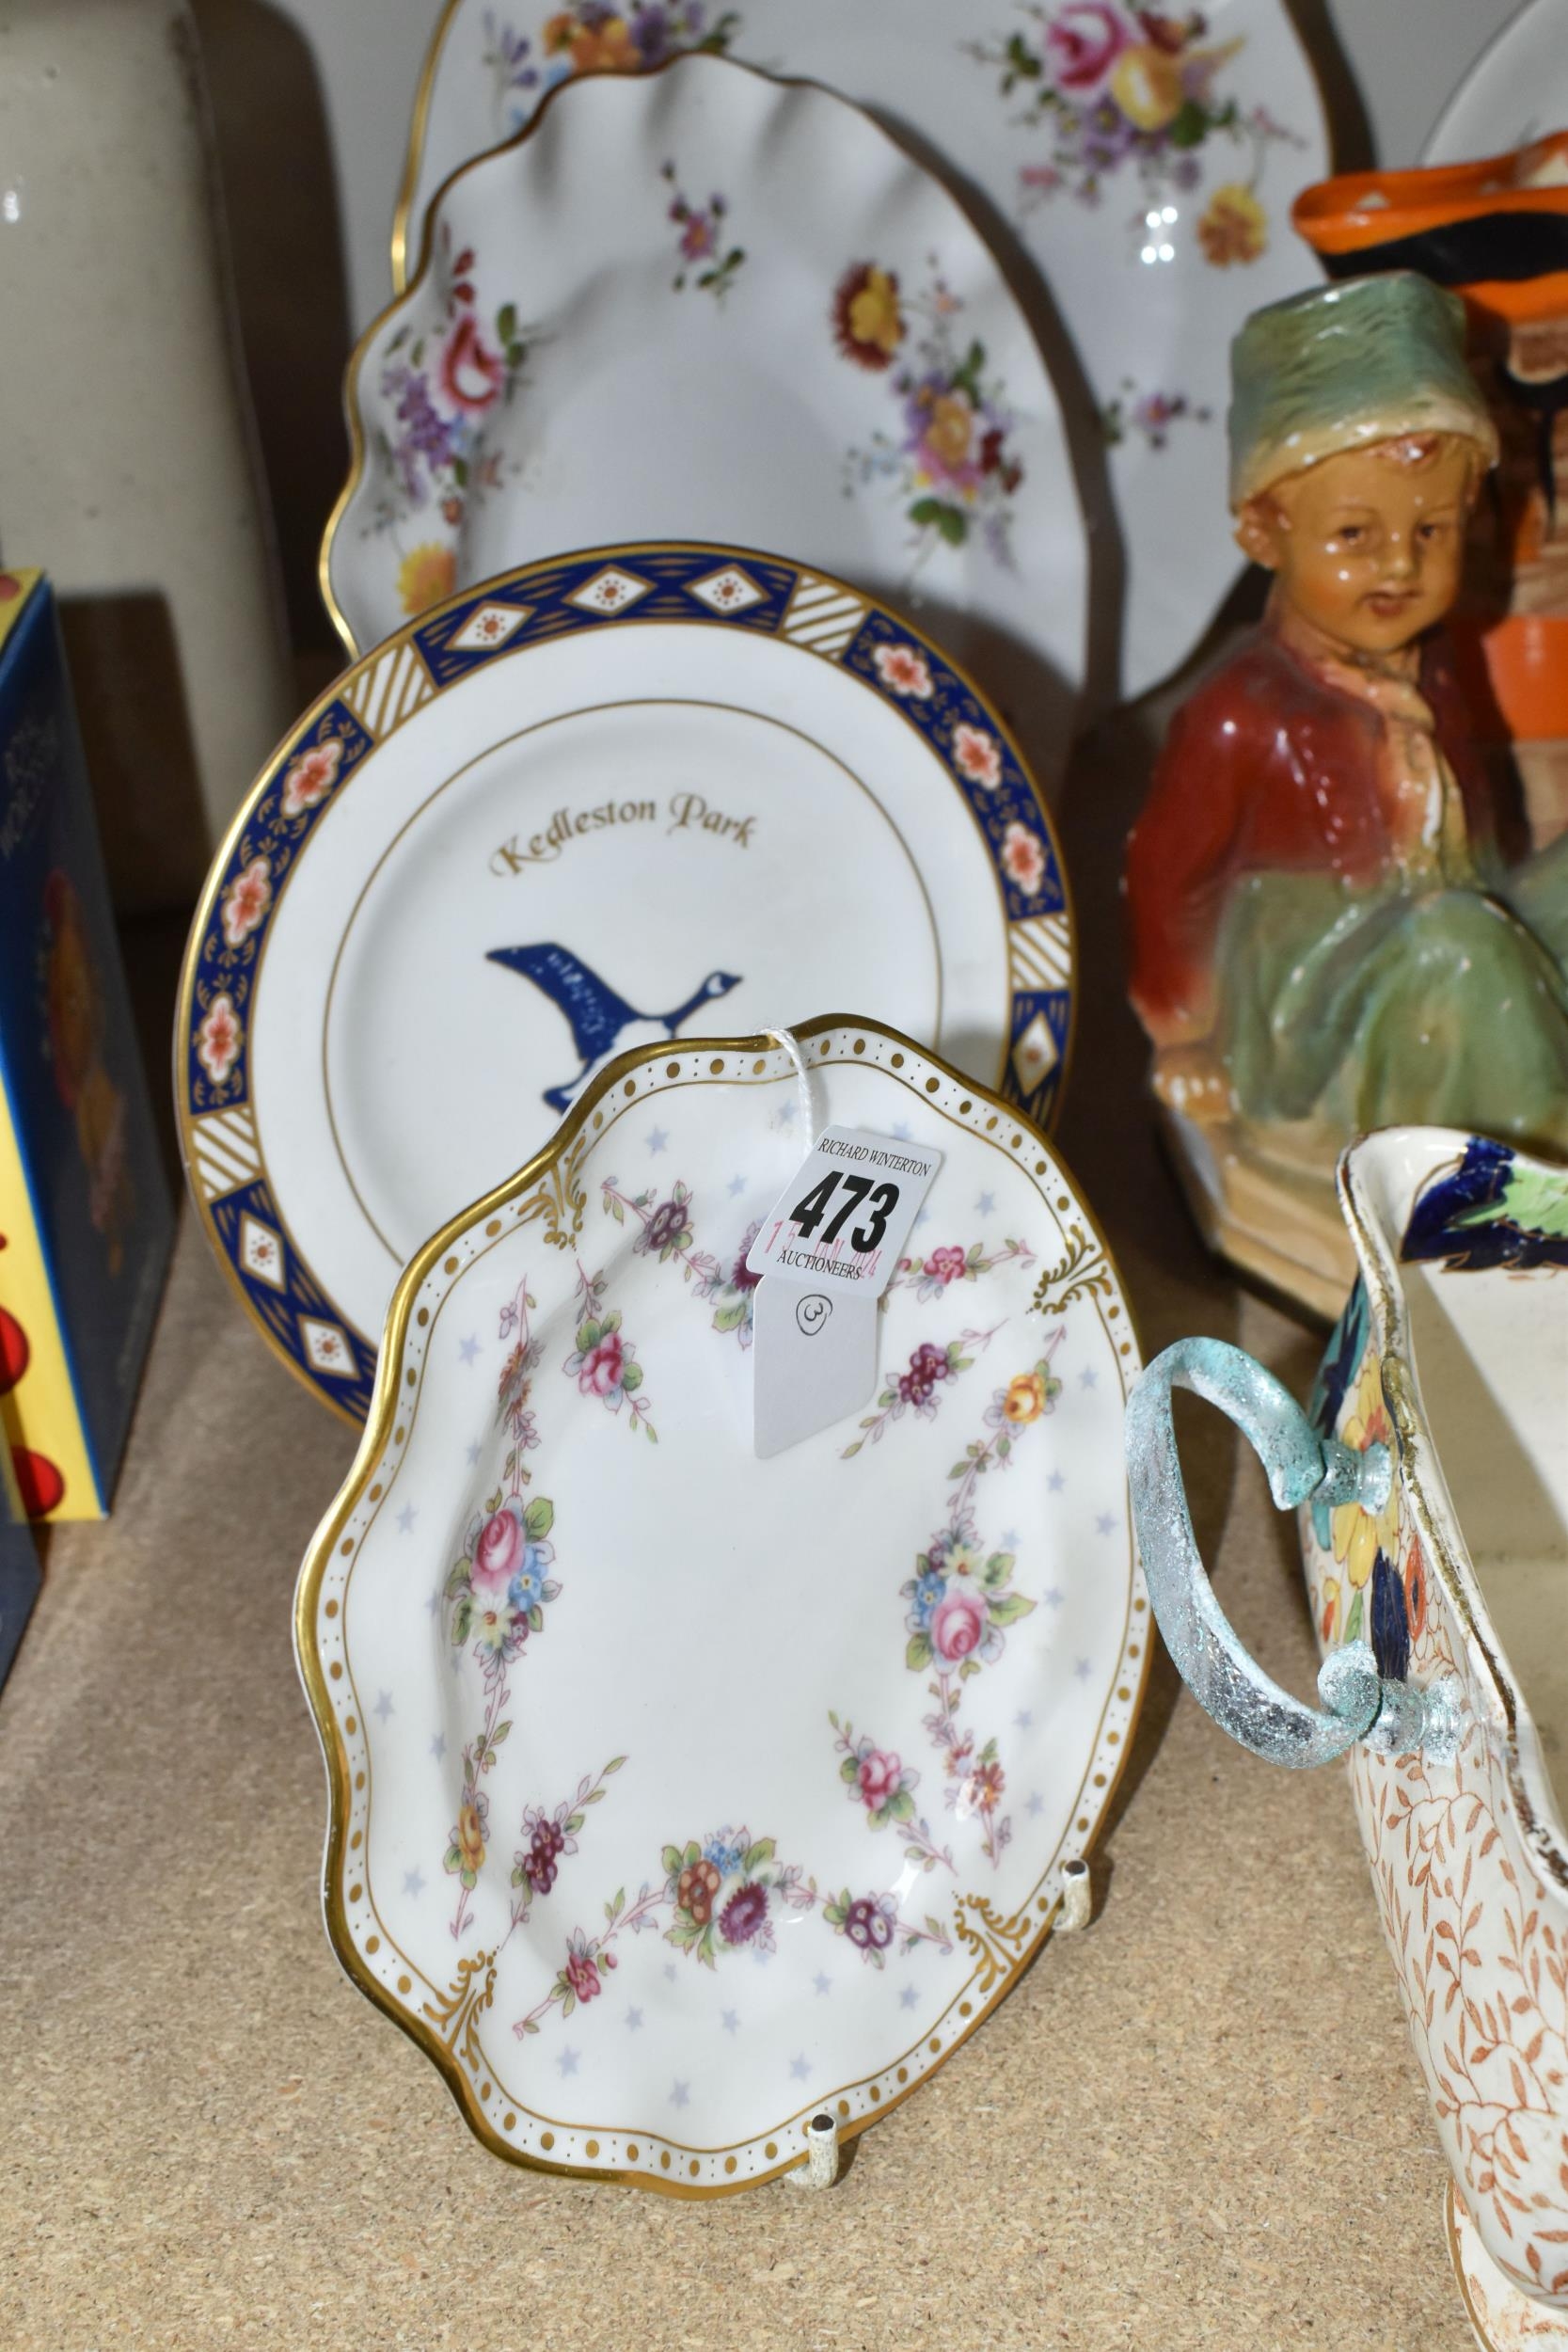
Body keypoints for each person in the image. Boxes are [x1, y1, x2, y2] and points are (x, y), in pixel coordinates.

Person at [1126, 272, 1568, 1197]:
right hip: (1308, 1003)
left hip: (1453, 927)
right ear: (1263, 533)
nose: (1398, 564)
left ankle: (1528, 1079)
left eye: (1431, 531)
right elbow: (1170, 881)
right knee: (1458, 942)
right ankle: (1518, 1191)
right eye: (1354, 535)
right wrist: (1185, 1037)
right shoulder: (1239, 709)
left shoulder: (1433, 670)